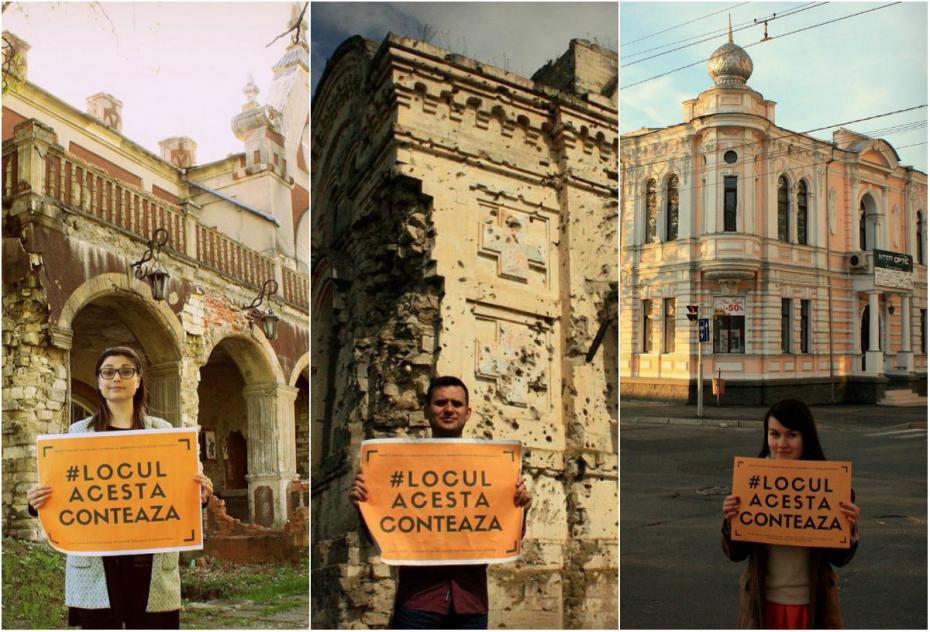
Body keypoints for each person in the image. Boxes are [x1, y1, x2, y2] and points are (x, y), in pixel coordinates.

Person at [26, 346, 213, 629]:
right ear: (99, 382)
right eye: (108, 372)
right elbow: (67, 493)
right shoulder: (77, 433)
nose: (117, 378)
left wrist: (200, 495)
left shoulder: (163, 431)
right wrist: (35, 500)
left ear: (138, 380)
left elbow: (176, 493)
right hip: (97, 567)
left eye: (127, 371)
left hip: (149, 564)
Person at [349, 376, 532, 630]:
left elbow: (502, 537)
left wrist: (520, 508)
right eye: (440, 403)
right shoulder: (403, 466)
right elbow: (382, 538)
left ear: (467, 413)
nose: (449, 409)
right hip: (418, 603)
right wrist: (365, 505)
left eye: (456, 404)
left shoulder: (489, 469)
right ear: (426, 410)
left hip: (471, 603)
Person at [721, 399, 860, 629]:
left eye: (792, 434)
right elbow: (735, 554)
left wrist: (850, 528)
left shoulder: (832, 485)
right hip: (762, 605)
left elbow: (840, 559)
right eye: (774, 434)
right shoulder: (750, 482)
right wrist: (730, 521)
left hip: (813, 605)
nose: (781, 444)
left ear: (806, 437)